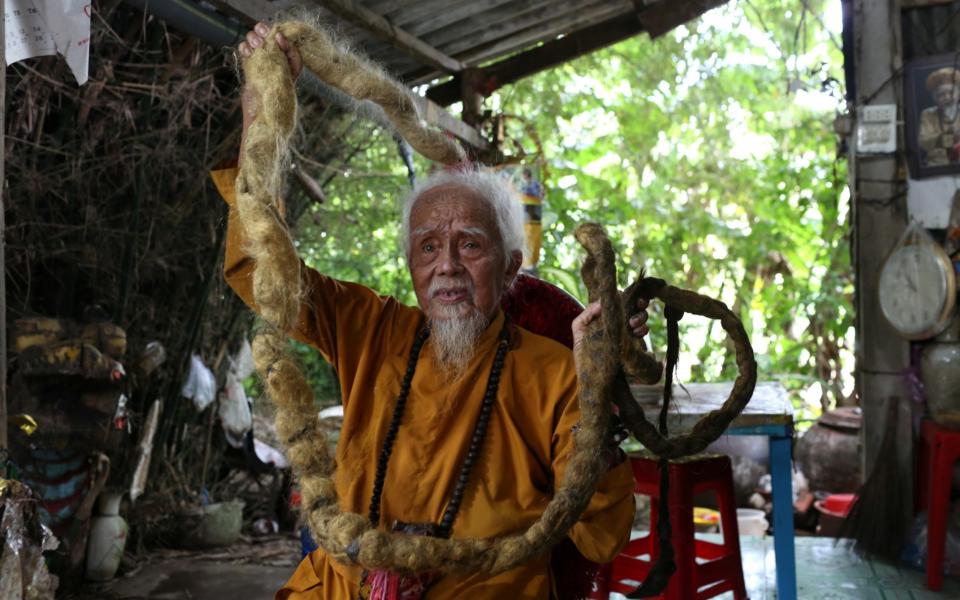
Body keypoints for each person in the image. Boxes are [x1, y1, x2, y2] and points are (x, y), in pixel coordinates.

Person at [219, 23, 651, 599]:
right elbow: (262, 273)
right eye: (428, 247)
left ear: (510, 268)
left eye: (469, 244)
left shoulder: (554, 373)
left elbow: (603, 536)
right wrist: (259, 109)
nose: (446, 264)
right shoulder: (370, 328)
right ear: (411, 266)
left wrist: (596, 390)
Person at [919, 66, 960, 167]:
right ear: (935, 98)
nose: (947, 97)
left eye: (950, 93)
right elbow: (924, 142)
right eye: (941, 94)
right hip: (937, 166)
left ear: (958, 93)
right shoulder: (928, 114)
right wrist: (948, 137)